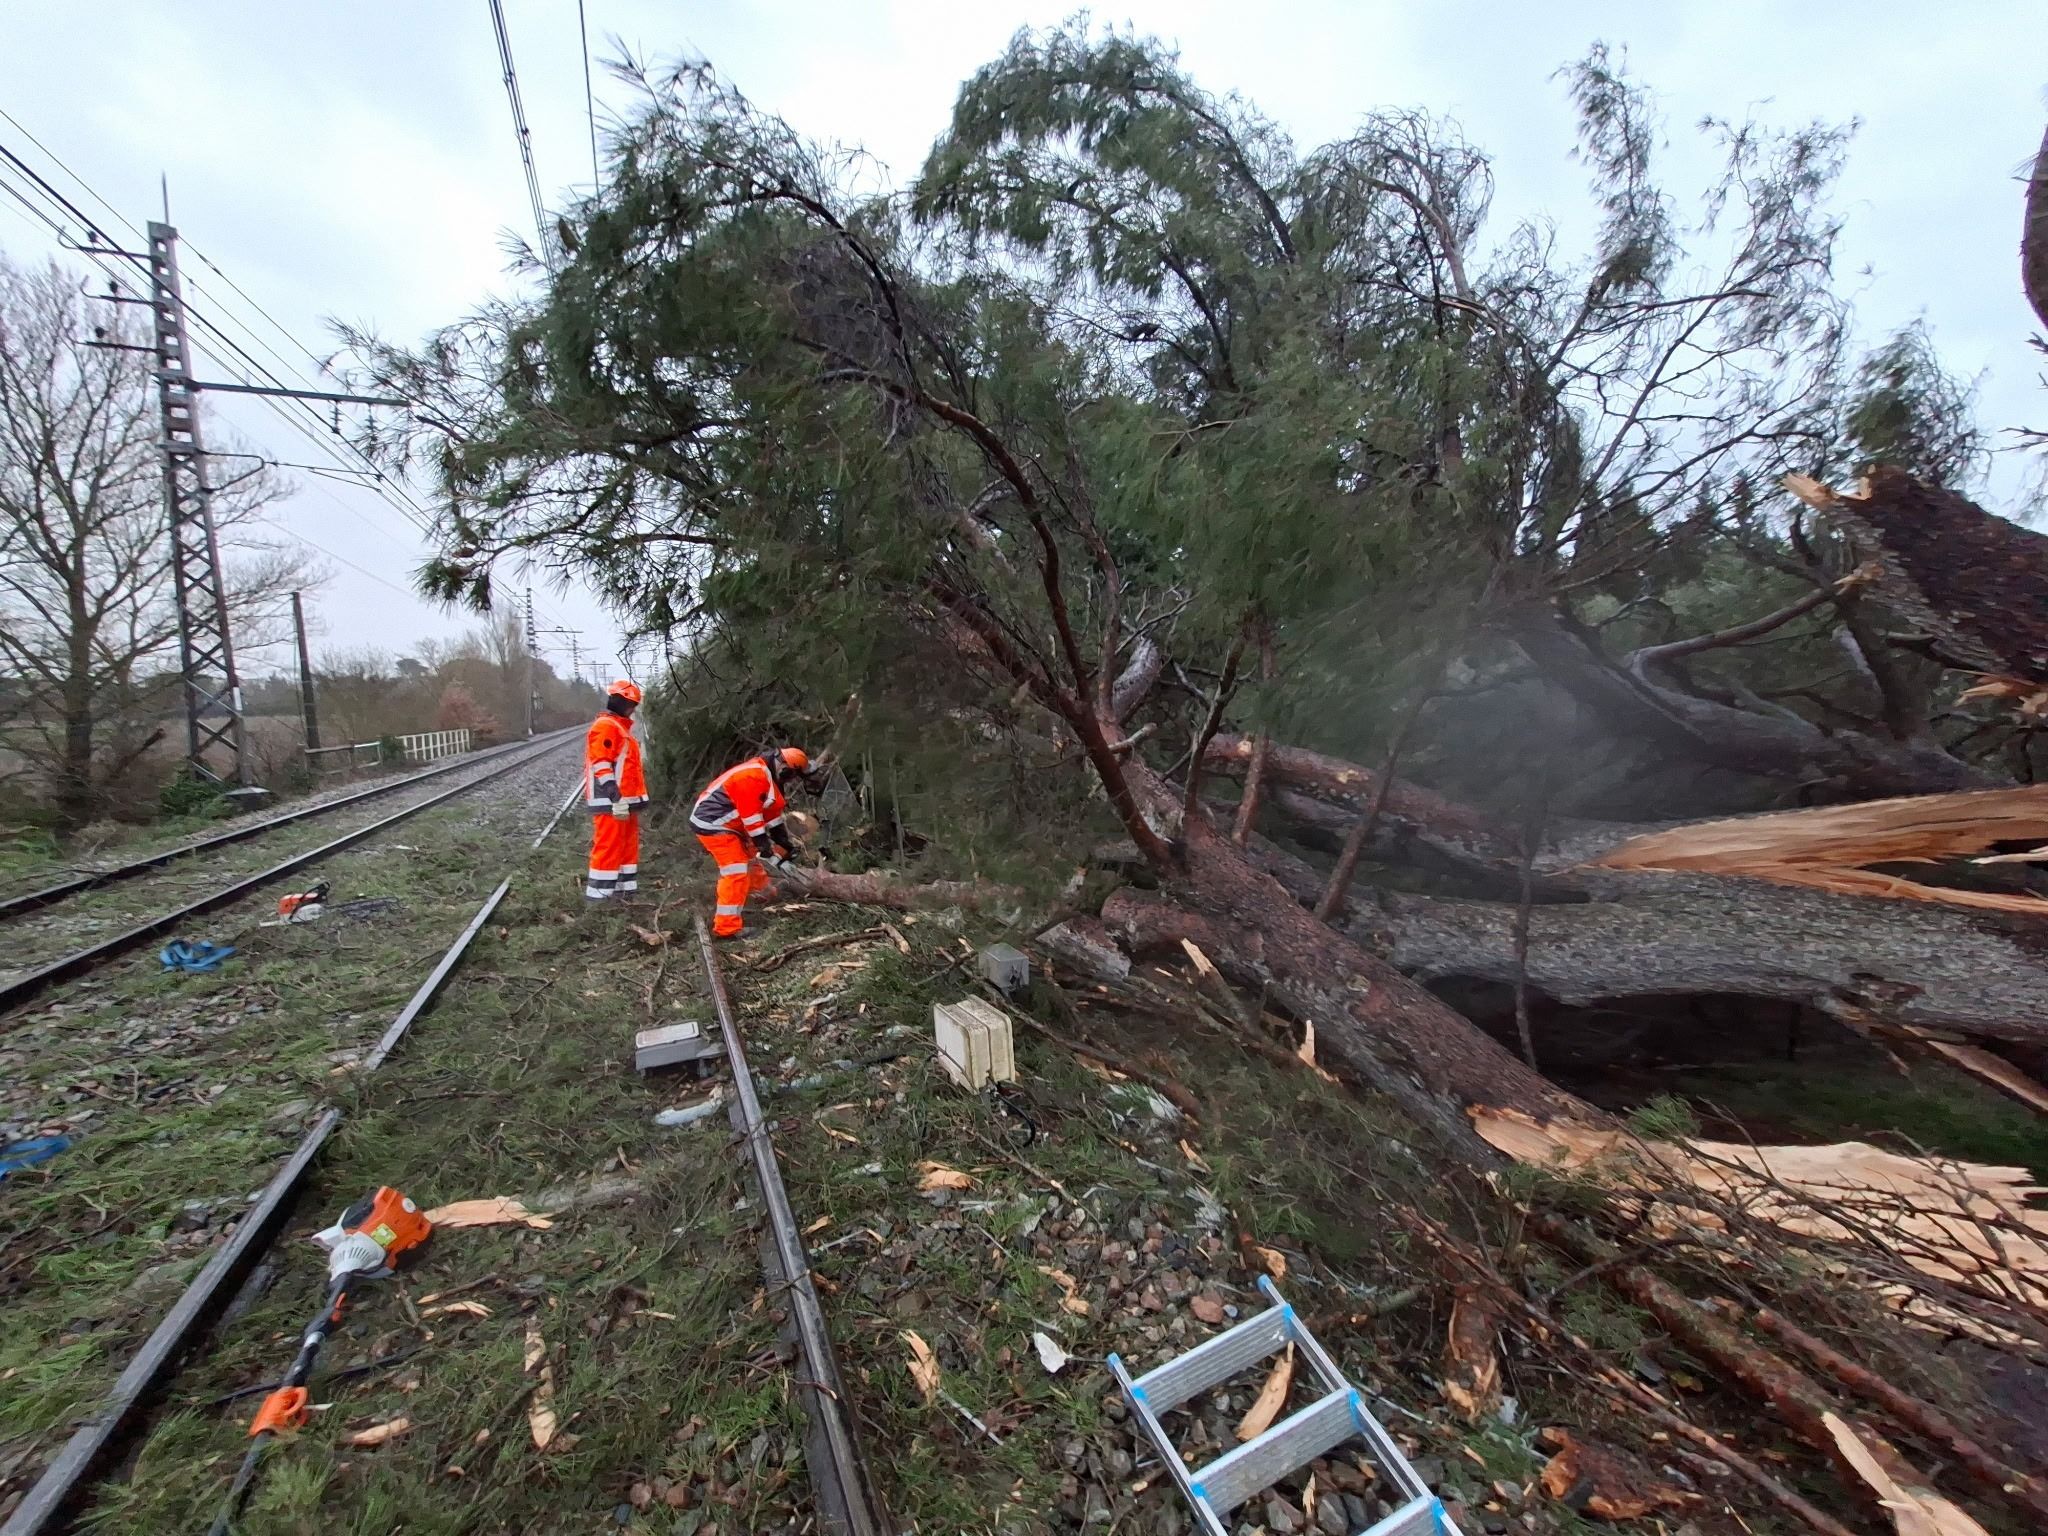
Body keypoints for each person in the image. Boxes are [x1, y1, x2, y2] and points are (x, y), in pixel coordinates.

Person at [689, 747, 814, 937]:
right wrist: (763, 845)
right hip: (713, 823)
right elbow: (751, 818)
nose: (791, 781)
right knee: (736, 870)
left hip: (733, 824)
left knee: (750, 861)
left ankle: (764, 892)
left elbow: (772, 815)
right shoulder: (753, 776)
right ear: (786, 770)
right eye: (792, 776)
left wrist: (783, 842)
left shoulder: (769, 778)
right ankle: (727, 927)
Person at [583, 679, 647, 902]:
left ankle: (625, 892)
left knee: (627, 847)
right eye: (632, 705)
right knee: (609, 847)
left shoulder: (618, 727)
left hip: (625, 801)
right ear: (624, 703)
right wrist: (614, 795)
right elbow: (601, 762)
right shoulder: (607, 727)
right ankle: (599, 898)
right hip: (612, 801)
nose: (633, 710)